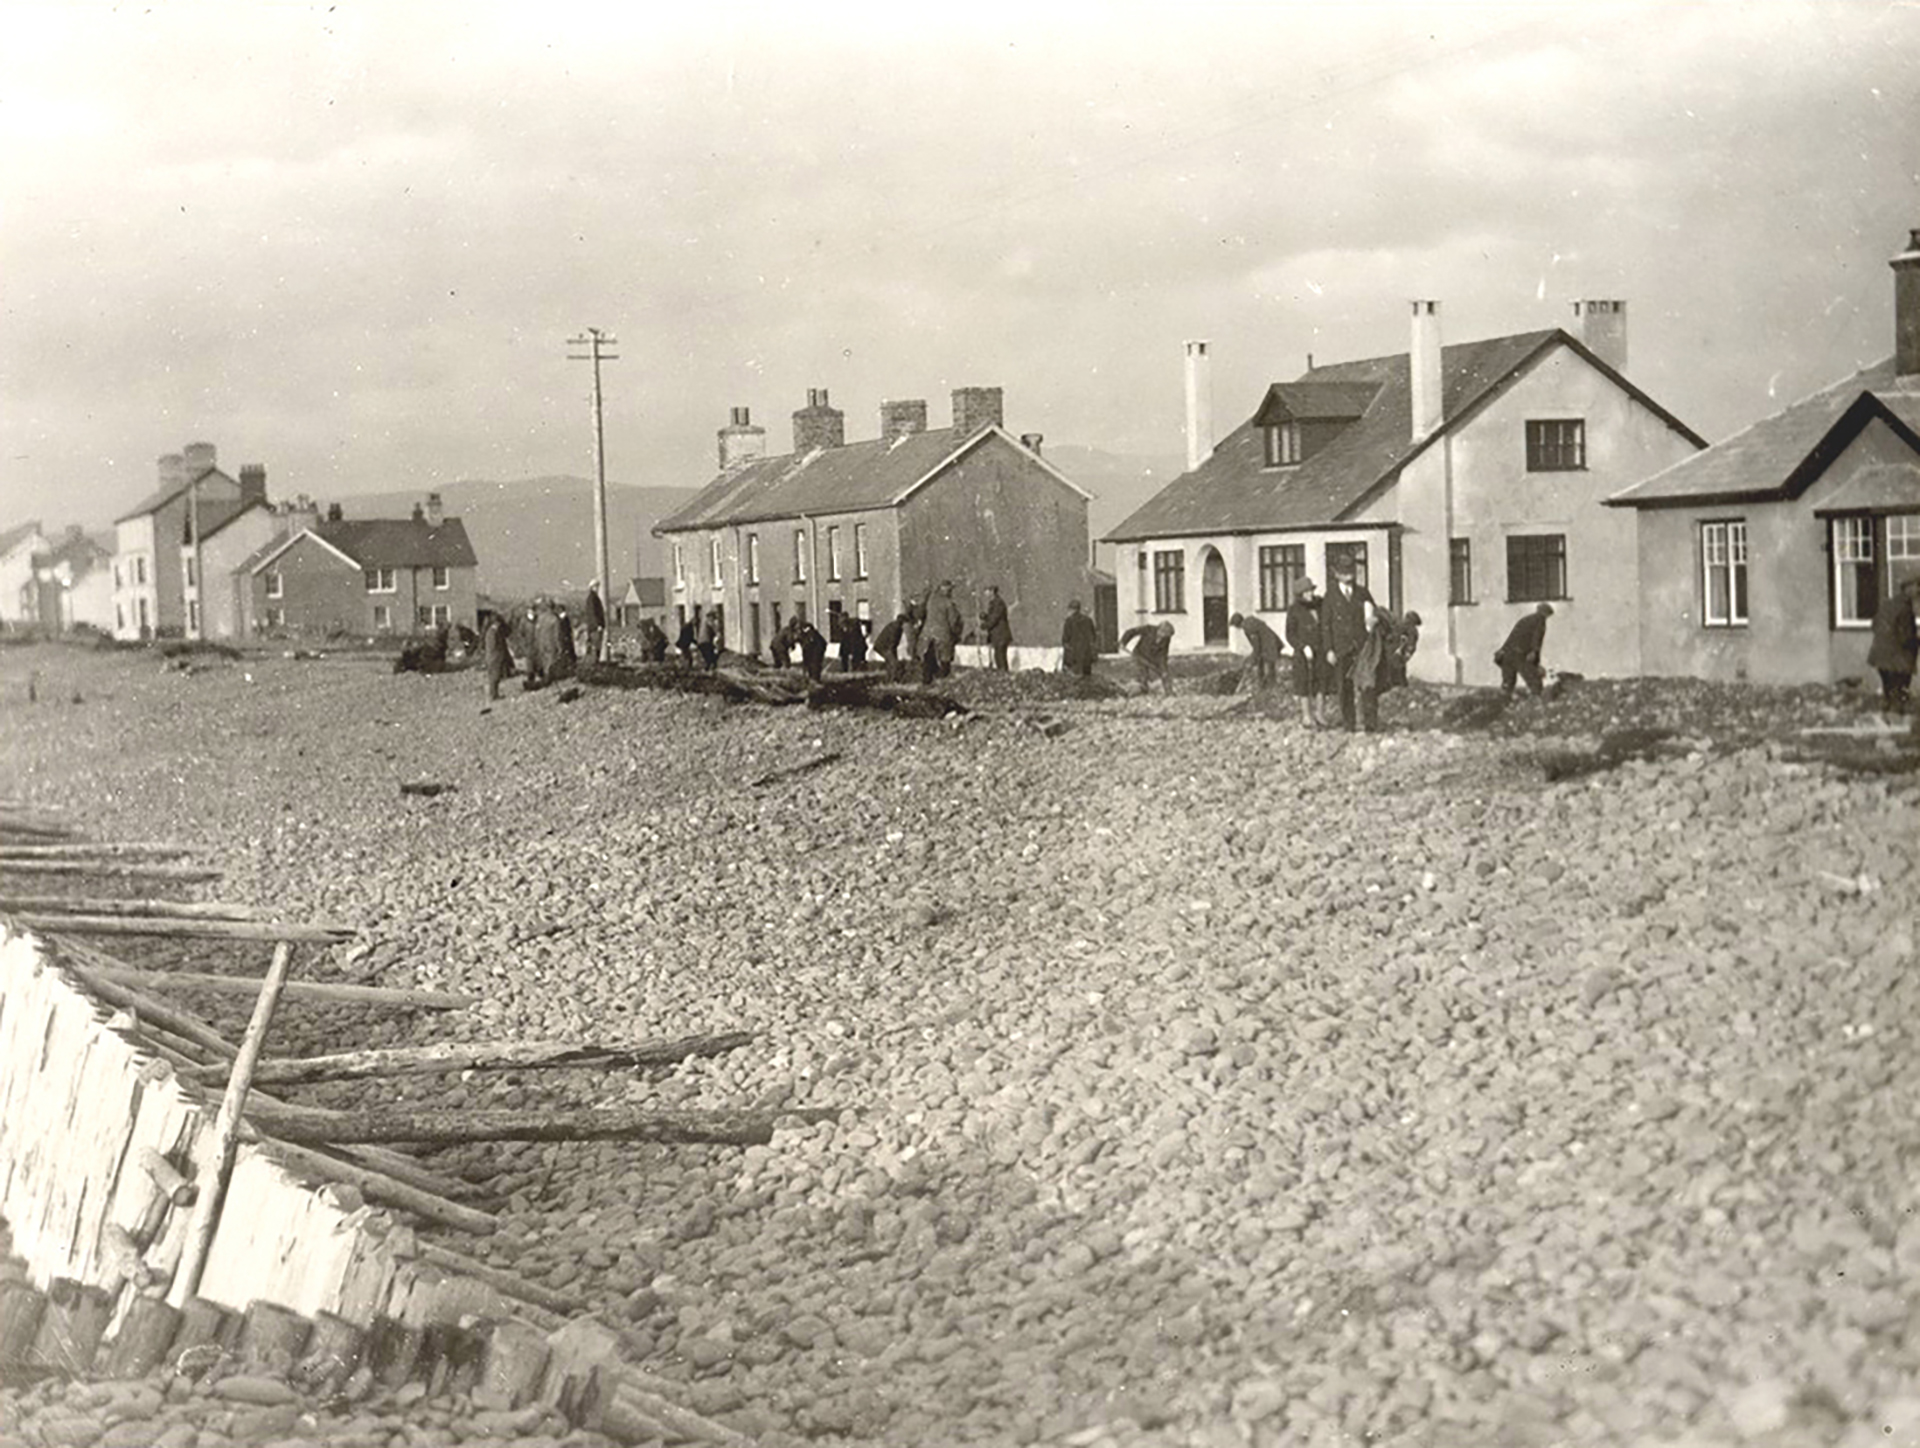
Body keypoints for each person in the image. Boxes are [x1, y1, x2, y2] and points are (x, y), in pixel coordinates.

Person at [1321, 562, 1376, 731]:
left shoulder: (1362, 593)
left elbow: (1373, 613)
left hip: (1362, 646)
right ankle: (1349, 724)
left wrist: (1374, 620)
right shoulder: (1330, 596)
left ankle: (1371, 724)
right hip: (1340, 648)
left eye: (1351, 571)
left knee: (1367, 685)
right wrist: (1329, 649)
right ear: (1337, 574)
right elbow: (1325, 625)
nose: (1349, 576)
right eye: (1344, 572)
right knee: (1344, 687)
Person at [1867, 578, 1919, 716]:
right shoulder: (1905, 608)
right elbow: (1906, 638)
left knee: (1889, 692)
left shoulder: (1888, 603)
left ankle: (1886, 722)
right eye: (1917, 586)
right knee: (1899, 695)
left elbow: (1874, 625)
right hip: (1898, 662)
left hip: (1881, 659)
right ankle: (1897, 723)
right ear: (1908, 589)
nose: (1918, 590)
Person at [1285, 579, 1326, 726]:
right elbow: (1290, 634)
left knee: (1321, 683)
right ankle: (1307, 716)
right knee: (1304, 684)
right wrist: (1302, 647)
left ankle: (1320, 715)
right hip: (1303, 654)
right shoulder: (1294, 609)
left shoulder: (1320, 605)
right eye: (1306, 592)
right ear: (1300, 594)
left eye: (1311, 591)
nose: (1310, 594)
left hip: (1320, 650)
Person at [1495, 602, 1554, 699]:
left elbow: (1512, 637)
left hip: (1506, 655)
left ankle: (1502, 704)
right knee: (1535, 682)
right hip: (1520, 655)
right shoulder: (1540, 621)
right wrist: (1535, 659)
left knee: (1508, 684)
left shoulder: (1524, 620)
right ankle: (1536, 703)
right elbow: (1536, 639)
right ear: (1546, 613)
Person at [1230, 610, 1284, 691]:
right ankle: (1264, 687)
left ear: (1237, 624)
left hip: (1269, 646)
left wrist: (1253, 658)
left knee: (1268, 668)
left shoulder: (1248, 627)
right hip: (1270, 644)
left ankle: (1269, 689)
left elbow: (1256, 645)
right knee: (1263, 665)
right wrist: (1254, 656)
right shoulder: (1250, 622)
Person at [1119, 619, 1176, 696]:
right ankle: (1133, 692)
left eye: (1167, 636)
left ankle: (1169, 693)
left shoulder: (1166, 638)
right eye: (1165, 635)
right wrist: (1123, 642)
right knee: (1143, 675)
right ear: (1160, 631)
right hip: (1140, 655)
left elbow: (1163, 654)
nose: (1164, 638)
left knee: (1164, 674)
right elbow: (1131, 632)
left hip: (1153, 658)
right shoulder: (1148, 629)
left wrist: (1163, 668)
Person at [922, 581, 963, 683]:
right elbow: (953, 621)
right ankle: (942, 681)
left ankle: (927, 681)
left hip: (928, 634)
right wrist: (957, 634)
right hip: (943, 635)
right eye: (950, 589)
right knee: (945, 659)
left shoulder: (931, 600)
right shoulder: (948, 603)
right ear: (946, 590)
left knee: (929, 659)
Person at [1060, 599, 1099, 679]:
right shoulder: (1088, 620)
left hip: (1074, 656)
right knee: (1087, 678)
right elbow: (1093, 636)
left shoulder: (1069, 621)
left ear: (1071, 609)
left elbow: (1065, 639)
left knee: (1073, 679)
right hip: (1086, 655)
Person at [480, 611, 513, 701]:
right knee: (494, 677)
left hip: (493, 657)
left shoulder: (491, 632)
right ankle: (493, 695)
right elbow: (493, 646)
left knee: (496, 676)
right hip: (494, 658)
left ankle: (495, 694)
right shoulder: (492, 633)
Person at [980, 586, 1013, 672]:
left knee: (1000, 657)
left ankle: (1003, 675)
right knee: (998, 656)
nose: (986, 594)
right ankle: (1002, 674)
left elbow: (995, 618)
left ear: (992, 591)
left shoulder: (998, 603)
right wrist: (985, 617)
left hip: (1001, 635)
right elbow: (993, 617)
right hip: (997, 635)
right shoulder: (994, 603)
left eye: (987, 591)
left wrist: (985, 625)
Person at [872, 612, 908, 681]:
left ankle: (889, 679)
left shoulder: (894, 625)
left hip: (883, 646)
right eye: (904, 622)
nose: (904, 624)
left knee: (891, 663)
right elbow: (892, 640)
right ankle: (892, 680)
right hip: (884, 647)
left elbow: (894, 644)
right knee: (893, 664)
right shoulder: (896, 627)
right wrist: (892, 653)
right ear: (901, 621)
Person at [581, 581, 607, 666]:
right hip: (595, 628)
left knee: (595, 646)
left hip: (594, 627)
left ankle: (594, 663)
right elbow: (592, 613)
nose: (598, 588)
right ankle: (593, 664)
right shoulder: (592, 598)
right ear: (592, 587)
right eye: (596, 586)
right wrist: (597, 625)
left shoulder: (593, 598)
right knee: (595, 646)